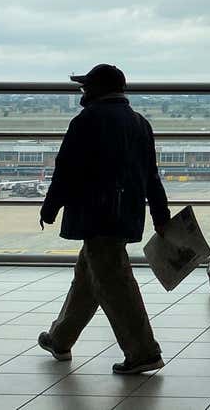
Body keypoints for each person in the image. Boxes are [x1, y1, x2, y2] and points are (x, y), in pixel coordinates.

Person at [37, 63, 171, 375]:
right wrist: (161, 216)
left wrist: (50, 207)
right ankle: (60, 338)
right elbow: (151, 177)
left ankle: (143, 352)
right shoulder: (140, 124)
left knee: (115, 283)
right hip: (126, 215)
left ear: (98, 89)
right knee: (88, 278)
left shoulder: (86, 120)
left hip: (95, 216)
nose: (82, 92)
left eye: (86, 87)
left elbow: (65, 169)